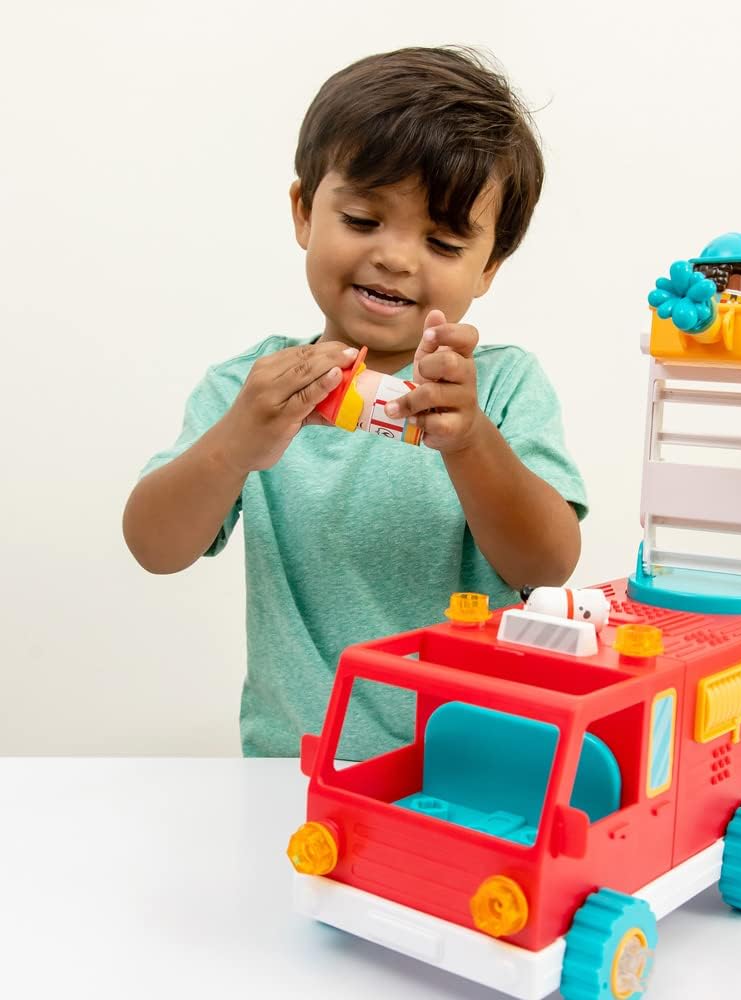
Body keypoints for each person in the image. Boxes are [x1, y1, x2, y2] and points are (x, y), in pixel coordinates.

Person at [122, 46, 587, 759]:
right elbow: (154, 546)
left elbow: (548, 563)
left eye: (441, 239)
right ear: (306, 212)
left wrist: (470, 443)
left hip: (470, 765)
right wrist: (234, 445)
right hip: (296, 767)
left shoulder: (498, 386)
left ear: (488, 267)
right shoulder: (251, 388)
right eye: (365, 221)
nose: (397, 258)